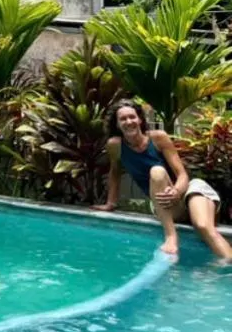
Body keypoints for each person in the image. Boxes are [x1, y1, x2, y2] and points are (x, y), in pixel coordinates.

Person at [97, 100, 232, 260]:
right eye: (123, 119)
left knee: (203, 226)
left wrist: (176, 191)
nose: (129, 122)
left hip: (189, 190)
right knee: (157, 172)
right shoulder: (115, 146)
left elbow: (182, 174)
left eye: (132, 117)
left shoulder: (158, 138)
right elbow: (115, 172)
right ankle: (171, 237)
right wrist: (110, 203)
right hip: (165, 203)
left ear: (140, 119)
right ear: (117, 125)